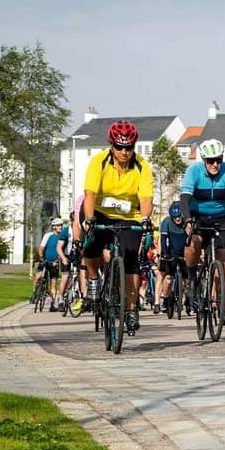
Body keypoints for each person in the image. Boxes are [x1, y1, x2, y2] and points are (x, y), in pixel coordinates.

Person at [81, 120, 155, 333]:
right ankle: (94, 280)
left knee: (131, 258)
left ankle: (131, 310)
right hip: (99, 212)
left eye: (129, 147)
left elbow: (146, 198)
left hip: (129, 216)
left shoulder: (142, 166)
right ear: (112, 145)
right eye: (119, 147)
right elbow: (90, 194)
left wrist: (145, 219)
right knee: (92, 246)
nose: (124, 152)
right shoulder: (99, 162)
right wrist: (89, 219)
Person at [179, 138, 225, 324]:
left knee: (223, 261)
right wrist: (187, 221)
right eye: (210, 160)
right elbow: (184, 199)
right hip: (197, 216)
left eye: (218, 160)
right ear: (203, 159)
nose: (215, 164)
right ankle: (192, 277)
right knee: (194, 243)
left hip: (221, 218)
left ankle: (222, 305)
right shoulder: (194, 171)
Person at [158, 201, 188, 313]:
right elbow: (163, 239)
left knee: (186, 280)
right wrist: (165, 253)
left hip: (185, 253)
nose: (177, 219)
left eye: (179, 217)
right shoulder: (166, 222)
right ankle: (166, 299)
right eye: (175, 217)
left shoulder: (186, 222)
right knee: (169, 279)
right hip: (172, 253)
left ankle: (186, 299)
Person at [36, 217, 69, 312]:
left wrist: (58, 261)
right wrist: (41, 257)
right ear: (54, 227)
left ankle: (52, 303)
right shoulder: (48, 235)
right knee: (38, 276)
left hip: (55, 262)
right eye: (58, 225)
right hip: (45, 260)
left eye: (61, 225)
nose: (60, 227)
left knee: (53, 284)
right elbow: (41, 247)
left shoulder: (63, 236)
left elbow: (62, 250)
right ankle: (35, 293)